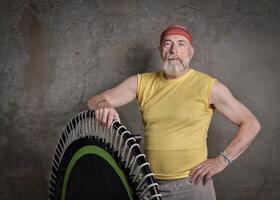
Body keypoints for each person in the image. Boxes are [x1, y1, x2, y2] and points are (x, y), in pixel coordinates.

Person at [87, 25, 261, 200]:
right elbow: (94, 100)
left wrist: (222, 160)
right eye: (167, 43)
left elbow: (251, 123)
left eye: (181, 44)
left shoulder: (209, 86)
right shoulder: (141, 82)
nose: (173, 50)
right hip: (149, 184)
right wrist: (104, 105)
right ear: (160, 50)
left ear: (191, 51)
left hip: (193, 184)